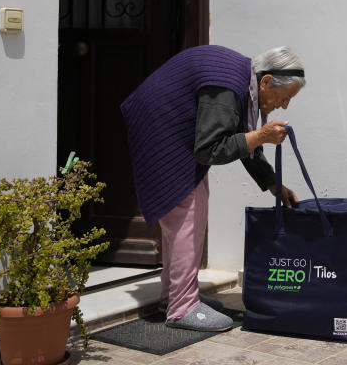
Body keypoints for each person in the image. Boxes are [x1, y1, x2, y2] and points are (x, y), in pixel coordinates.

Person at [120, 45, 304, 331]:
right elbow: (210, 149)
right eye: (285, 97)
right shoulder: (227, 88)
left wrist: (271, 182)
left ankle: (174, 298)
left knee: (187, 208)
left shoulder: (242, 83)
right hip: (162, 130)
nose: (284, 106)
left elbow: (240, 138)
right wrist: (259, 136)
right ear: (267, 81)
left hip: (165, 128)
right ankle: (182, 308)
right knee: (187, 209)